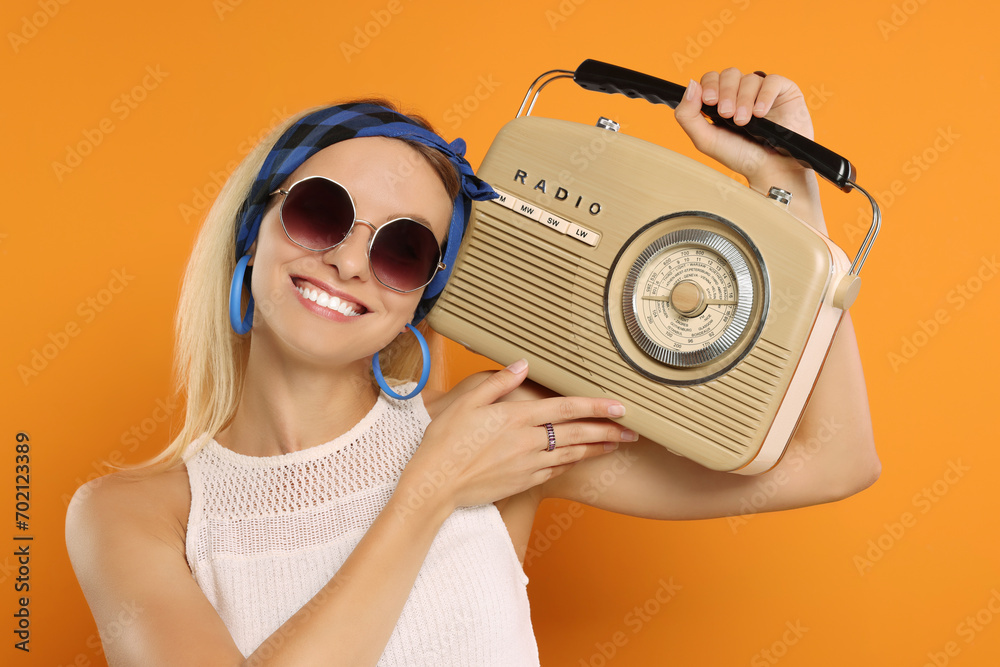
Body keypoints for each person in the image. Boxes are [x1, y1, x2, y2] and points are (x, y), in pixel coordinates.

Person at [65, 68, 879, 666]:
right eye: (323, 212)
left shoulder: (504, 442)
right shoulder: (129, 516)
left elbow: (832, 457)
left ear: (424, 293)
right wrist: (428, 490)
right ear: (255, 226)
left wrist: (784, 195)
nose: (351, 261)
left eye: (402, 248)